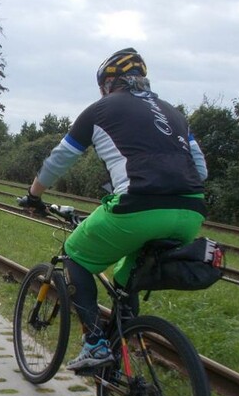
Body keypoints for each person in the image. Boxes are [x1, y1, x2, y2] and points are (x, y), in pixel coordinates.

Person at [18, 48, 208, 371]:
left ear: (109, 83)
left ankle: (94, 343)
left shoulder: (100, 110)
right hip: (191, 213)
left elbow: (59, 159)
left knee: (75, 253)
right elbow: (200, 170)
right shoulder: (174, 114)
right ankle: (124, 347)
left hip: (138, 207)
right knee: (125, 276)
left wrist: (34, 195)